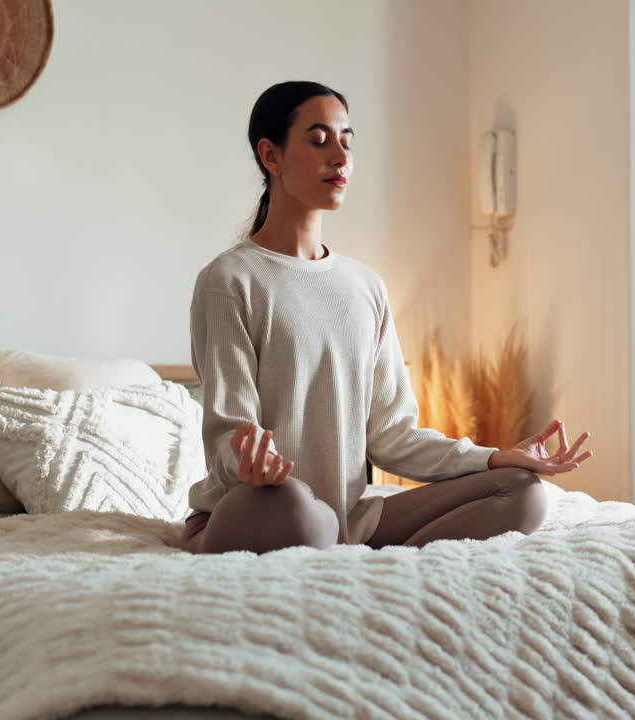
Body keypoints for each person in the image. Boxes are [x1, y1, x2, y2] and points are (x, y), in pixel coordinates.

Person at [179, 81, 593, 554]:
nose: (340, 157)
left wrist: (496, 457)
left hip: (344, 520)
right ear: (271, 156)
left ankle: (378, 563)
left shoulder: (365, 287)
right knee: (292, 502)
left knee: (520, 491)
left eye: (347, 141)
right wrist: (249, 465)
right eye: (319, 140)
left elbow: (393, 436)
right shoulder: (229, 280)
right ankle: (332, 542)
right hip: (256, 508)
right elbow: (229, 431)